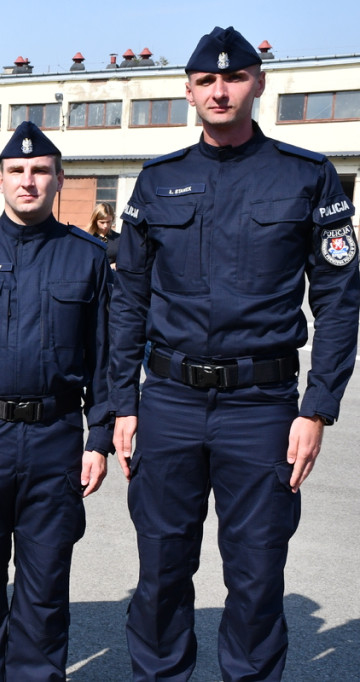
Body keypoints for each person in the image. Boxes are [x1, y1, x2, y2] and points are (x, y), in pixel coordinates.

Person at [110, 26, 360, 681]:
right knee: (161, 570)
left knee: (255, 574)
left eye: (235, 77)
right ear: (188, 91)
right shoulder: (159, 182)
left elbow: (338, 300)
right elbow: (127, 299)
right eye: (206, 81)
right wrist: (121, 403)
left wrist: (319, 407)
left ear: (258, 83)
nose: (220, 90)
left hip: (263, 406)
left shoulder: (307, 176)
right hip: (168, 402)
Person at [0, 122, 111, 681]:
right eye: (16, 171)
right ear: (0, 179)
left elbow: (107, 359)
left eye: (39, 171)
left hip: (56, 440)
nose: (27, 181)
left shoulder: (89, 258)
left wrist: (98, 439)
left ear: (58, 180)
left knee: (45, 588)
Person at [86, 202, 119, 267]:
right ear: (95, 220)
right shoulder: (88, 238)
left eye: (108, 222)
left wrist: (117, 265)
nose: (105, 226)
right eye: (102, 222)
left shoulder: (119, 238)